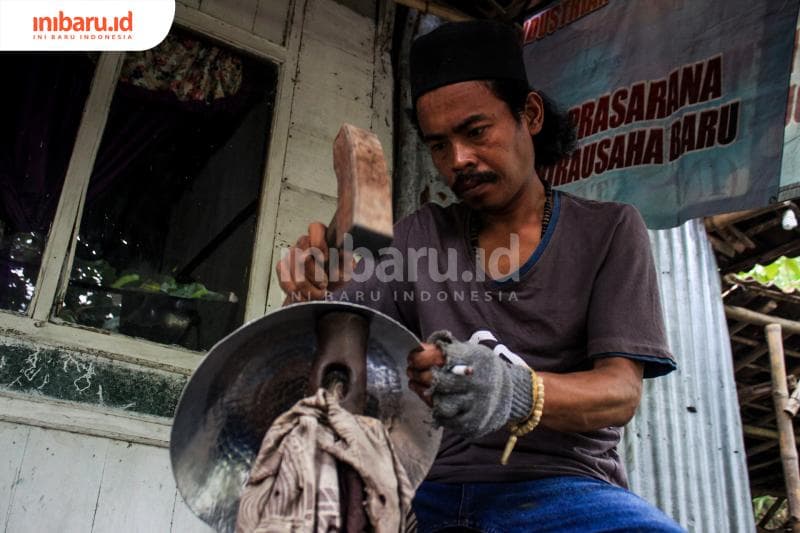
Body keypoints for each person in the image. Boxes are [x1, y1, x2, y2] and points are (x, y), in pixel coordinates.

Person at [277, 20, 683, 533]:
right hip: (430, 490)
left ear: (529, 115)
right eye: (438, 146)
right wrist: (310, 291)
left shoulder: (610, 231)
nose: (458, 161)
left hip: (565, 488)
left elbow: (619, 394)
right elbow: (334, 328)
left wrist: (515, 391)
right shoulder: (419, 235)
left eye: (475, 132)